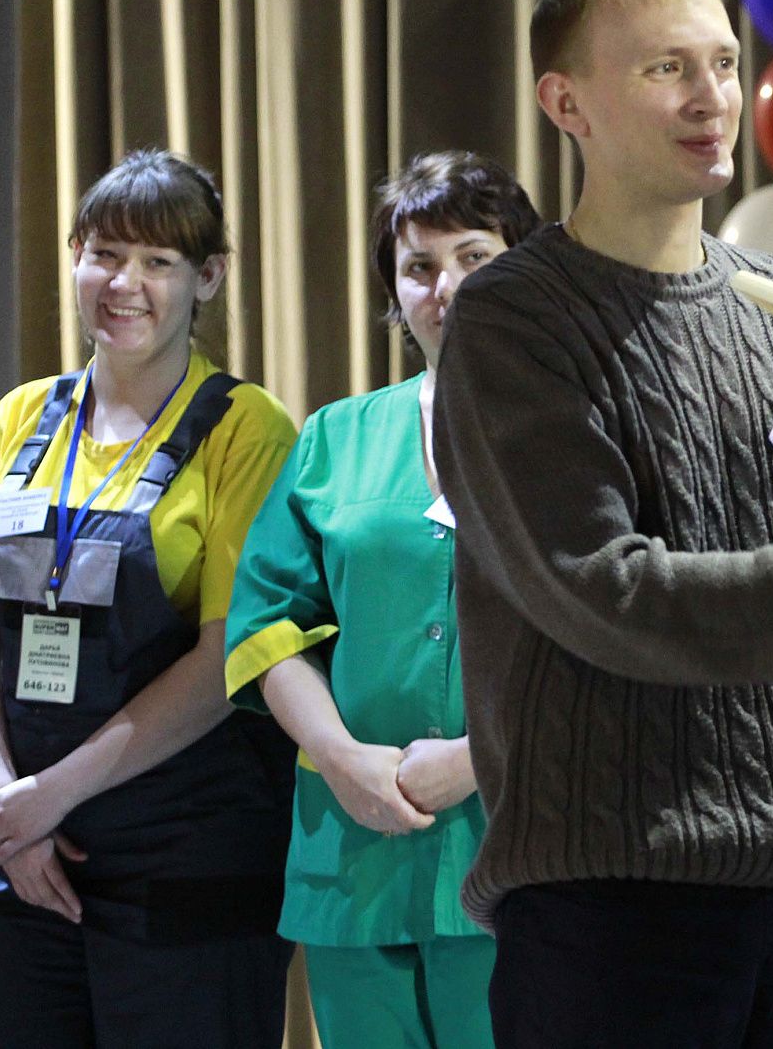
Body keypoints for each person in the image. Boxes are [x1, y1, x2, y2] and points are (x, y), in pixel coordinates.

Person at [432, 0, 773, 1047]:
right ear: (566, 103)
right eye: (665, 68)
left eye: (723, 62)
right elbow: (605, 590)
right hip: (607, 910)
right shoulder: (511, 321)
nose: (712, 96)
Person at [0, 151, 299, 1048]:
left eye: (157, 261)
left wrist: (51, 795)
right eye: (104, 253)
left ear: (208, 277)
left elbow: (226, 658)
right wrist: (10, 812)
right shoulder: (19, 417)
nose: (123, 283)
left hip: (187, 857)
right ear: (73, 257)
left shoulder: (246, 427)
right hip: (21, 854)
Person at [225, 153, 541, 1049]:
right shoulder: (335, 436)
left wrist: (479, 757)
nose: (447, 288)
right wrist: (339, 759)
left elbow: (617, 638)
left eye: (474, 257)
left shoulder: (580, 435)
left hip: (520, 849)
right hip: (354, 856)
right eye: (419, 266)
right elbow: (266, 627)